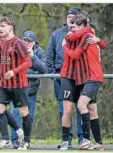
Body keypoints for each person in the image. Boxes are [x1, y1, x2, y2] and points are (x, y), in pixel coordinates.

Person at [62, 12, 105, 150]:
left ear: (82, 25)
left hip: (94, 77)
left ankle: (86, 140)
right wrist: (99, 41)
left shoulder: (86, 35)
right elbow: (102, 44)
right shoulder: (90, 33)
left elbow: (74, 54)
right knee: (92, 109)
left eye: (75, 26)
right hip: (90, 77)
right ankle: (99, 143)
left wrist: (66, 44)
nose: (72, 28)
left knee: (81, 105)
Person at [0, 16, 32, 150]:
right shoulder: (1, 42)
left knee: (24, 113)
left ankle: (26, 142)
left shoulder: (18, 43)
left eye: (3, 26)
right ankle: (6, 139)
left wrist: (14, 71)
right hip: (5, 85)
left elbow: (28, 62)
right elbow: (1, 63)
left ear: (10, 27)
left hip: (18, 85)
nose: (0, 28)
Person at [46, 8, 83, 148]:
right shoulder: (56, 35)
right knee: (64, 110)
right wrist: (53, 75)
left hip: (79, 77)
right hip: (61, 78)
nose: (70, 19)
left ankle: (83, 138)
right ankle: (66, 140)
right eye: (69, 16)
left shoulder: (83, 34)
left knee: (81, 108)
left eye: (74, 17)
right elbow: (50, 57)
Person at [0, 15, 23, 149]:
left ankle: (5, 137)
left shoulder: (5, 41)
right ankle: (15, 133)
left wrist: (2, 76)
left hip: (3, 80)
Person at [10, 31, 46, 148]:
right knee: (15, 115)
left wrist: (32, 57)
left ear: (34, 42)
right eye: (25, 40)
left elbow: (44, 69)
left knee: (29, 116)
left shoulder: (39, 52)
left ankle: (26, 140)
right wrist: (31, 71)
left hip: (31, 90)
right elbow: (14, 67)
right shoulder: (16, 49)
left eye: (29, 41)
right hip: (17, 87)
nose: (26, 43)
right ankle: (15, 140)